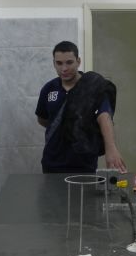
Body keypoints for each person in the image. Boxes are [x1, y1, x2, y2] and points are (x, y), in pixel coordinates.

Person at [35, 41, 126, 174]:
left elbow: (104, 116)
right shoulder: (48, 89)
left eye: (69, 62)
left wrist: (111, 149)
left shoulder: (93, 86)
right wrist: (65, 127)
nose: (64, 69)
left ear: (78, 61)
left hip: (84, 163)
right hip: (52, 163)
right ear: (54, 63)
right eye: (59, 63)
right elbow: (42, 119)